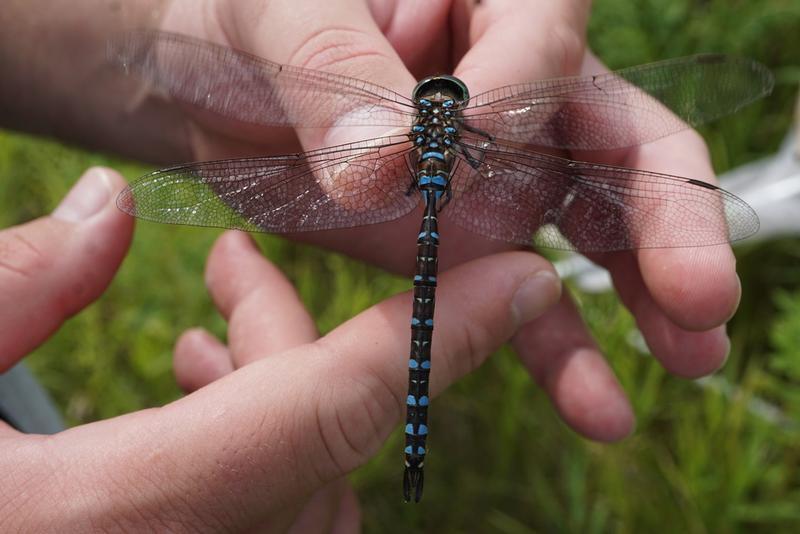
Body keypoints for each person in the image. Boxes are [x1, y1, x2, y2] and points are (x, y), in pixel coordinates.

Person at [0, 0, 739, 530]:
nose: (439, 94)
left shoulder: (413, 126)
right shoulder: (465, 136)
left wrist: (164, 32)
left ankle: (410, 449)